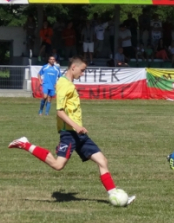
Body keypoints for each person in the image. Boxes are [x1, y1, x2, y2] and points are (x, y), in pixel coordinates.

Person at [8, 57, 135, 206]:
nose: (83, 74)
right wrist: (77, 126)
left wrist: (78, 129)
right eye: (82, 71)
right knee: (57, 165)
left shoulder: (68, 83)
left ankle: (114, 195)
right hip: (69, 133)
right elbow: (60, 112)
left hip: (79, 134)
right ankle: (25, 144)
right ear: (73, 67)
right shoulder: (63, 84)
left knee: (102, 161)